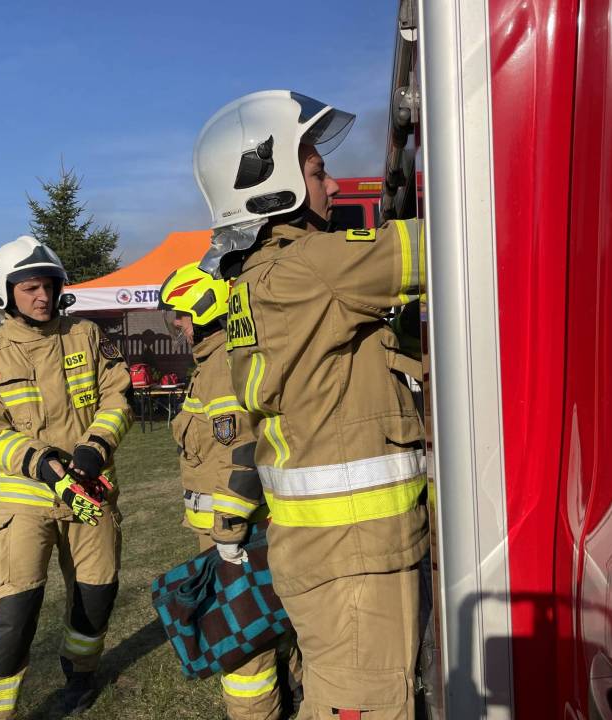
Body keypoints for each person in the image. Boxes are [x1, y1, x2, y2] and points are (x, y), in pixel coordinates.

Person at [193, 90, 427, 719]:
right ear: (274, 189)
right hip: (355, 554)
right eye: (319, 172)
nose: (334, 185)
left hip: (323, 550)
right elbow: (456, 244)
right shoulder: (317, 268)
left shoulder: (255, 283)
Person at [0, 235, 133, 719]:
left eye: (49, 286)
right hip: (27, 502)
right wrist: (39, 463)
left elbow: (118, 398)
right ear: (5, 293)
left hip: (89, 497)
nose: (42, 297)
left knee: (95, 596)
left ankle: (80, 678)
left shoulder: (86, 335)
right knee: (13, 614)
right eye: (30, 288)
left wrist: (96, 446)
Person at [159, 262, 302, 720]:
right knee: (277, 624)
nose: (177, 326)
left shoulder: (220, 367)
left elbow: (240, 450)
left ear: (202, 310)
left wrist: (228, 530)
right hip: (236, 531)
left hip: (236, 536)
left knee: (244, 645)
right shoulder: (216, 362)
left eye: (180, 316)